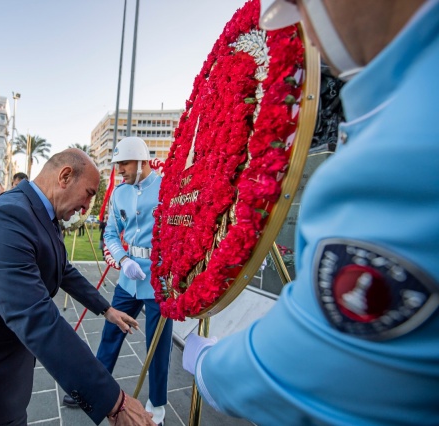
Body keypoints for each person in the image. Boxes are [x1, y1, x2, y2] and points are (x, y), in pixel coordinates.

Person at [182, 1, 439, 424]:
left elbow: (314, 367)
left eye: (301, 6)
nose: (309, 34)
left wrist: (208, 365)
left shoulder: (401, 151)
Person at [0, 149, 155, 426]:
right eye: (89, 193)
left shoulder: (38, 213)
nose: (87, 206)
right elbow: (36, 317)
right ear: (65, 176)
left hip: (3, 374)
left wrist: (106, 309)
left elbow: (62, 268)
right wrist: (115, 402)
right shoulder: (6, 218)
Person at [63, 137, 172, 425]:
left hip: (160, 278)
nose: (119, 170)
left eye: (123, 164)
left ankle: (157, 402)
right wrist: (124, 260)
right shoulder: (119, 194)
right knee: (111, 331)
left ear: (140, 161)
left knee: (158, 343)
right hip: (128, 276)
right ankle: (96, 389)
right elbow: (111, 233)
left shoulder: (167, 188)